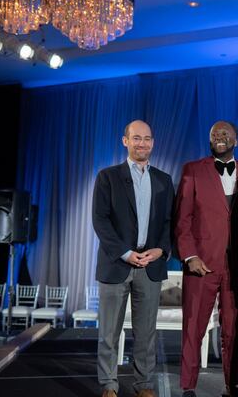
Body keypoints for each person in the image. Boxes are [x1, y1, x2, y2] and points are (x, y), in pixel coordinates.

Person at [92, 120, 174, 397]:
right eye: (136, 138)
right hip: (116, 264)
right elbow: (100, 221)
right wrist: (126, 253)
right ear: (124, 141)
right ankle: (109, 385)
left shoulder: (164, 179)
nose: (142, 143)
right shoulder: (107, 177)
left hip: (150, 266)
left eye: (147, 138)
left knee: (146, 334)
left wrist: (161, 250)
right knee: (109, 332)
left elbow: (168, 222)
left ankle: (144, 385)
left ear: (153, 142)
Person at [175, 121, 238, 397]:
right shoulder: (192, 170)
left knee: (232, 329)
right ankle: (188, 386)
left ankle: (232, 386)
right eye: (214, 134)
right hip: (201, 265)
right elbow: (182, 220)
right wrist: (190, 256)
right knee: (193, 327)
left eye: (225, 133)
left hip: (236, 267)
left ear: (236, 140)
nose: (220, 137)